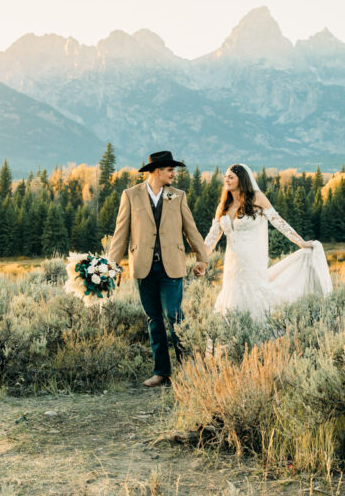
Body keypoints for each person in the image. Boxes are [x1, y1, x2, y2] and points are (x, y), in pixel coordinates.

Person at [107, 151, 210, 387]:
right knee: (154, 319)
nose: (174, 174)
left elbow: (190, 229)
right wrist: (113, 263)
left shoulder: (178, 196)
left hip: (172, 266)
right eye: (169, 170)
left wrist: (201, 258)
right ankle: (161, 372)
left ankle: (188, 371)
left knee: (174, 316)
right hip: (143, 267)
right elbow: (121, 231)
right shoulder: (130, 195)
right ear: (156, 171)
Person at [203, 163, 332, 319]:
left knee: (254, 294)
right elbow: (212, 238)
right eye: (225, 177)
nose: (226, 180)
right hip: (232, 265)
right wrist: (200, 258)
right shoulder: (223, 206)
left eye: (231, 177)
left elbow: (278, 222)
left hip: (252, 262)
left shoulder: (257, 198)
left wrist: (301, 243)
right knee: (233, 296)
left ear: (241, 179)